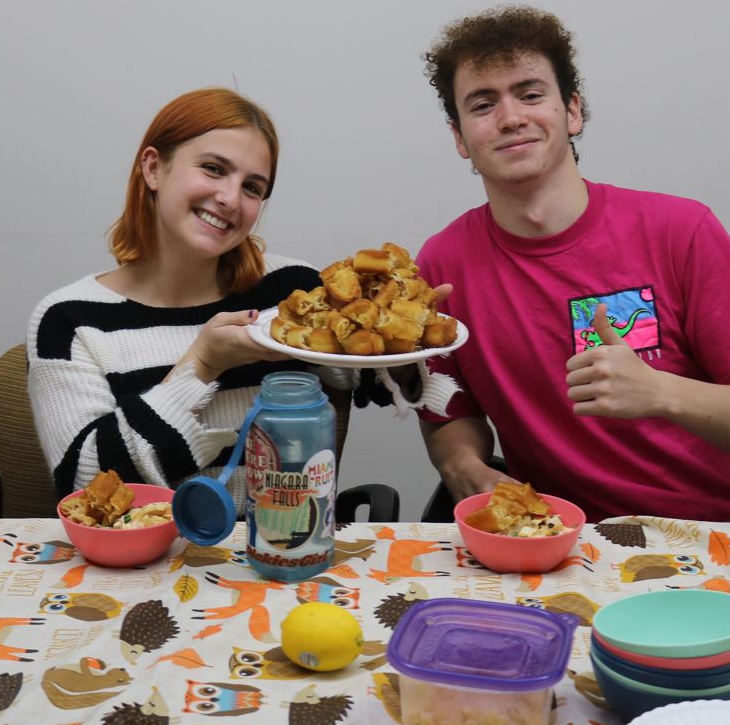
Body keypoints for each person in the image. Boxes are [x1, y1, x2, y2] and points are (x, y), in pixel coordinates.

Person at [415, 5, 730, 523]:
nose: (510, 118)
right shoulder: (442, 266)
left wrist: (660, 391)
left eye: (531, 94)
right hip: (555, 544)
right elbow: (449, 410)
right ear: (460, 138)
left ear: (572, 112)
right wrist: (460, 462)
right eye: (483, 105)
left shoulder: (678, 231)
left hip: (709, 536)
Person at [28, 88, 456, 508]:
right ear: (154, 168)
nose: (231, 199)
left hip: (282, 549)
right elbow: (84, 487)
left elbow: (376, 377)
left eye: (253, 188)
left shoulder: (292, 291)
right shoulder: (70, 319)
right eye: (213, 168)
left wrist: (408, 333)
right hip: (142, 564)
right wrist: (202, 365)